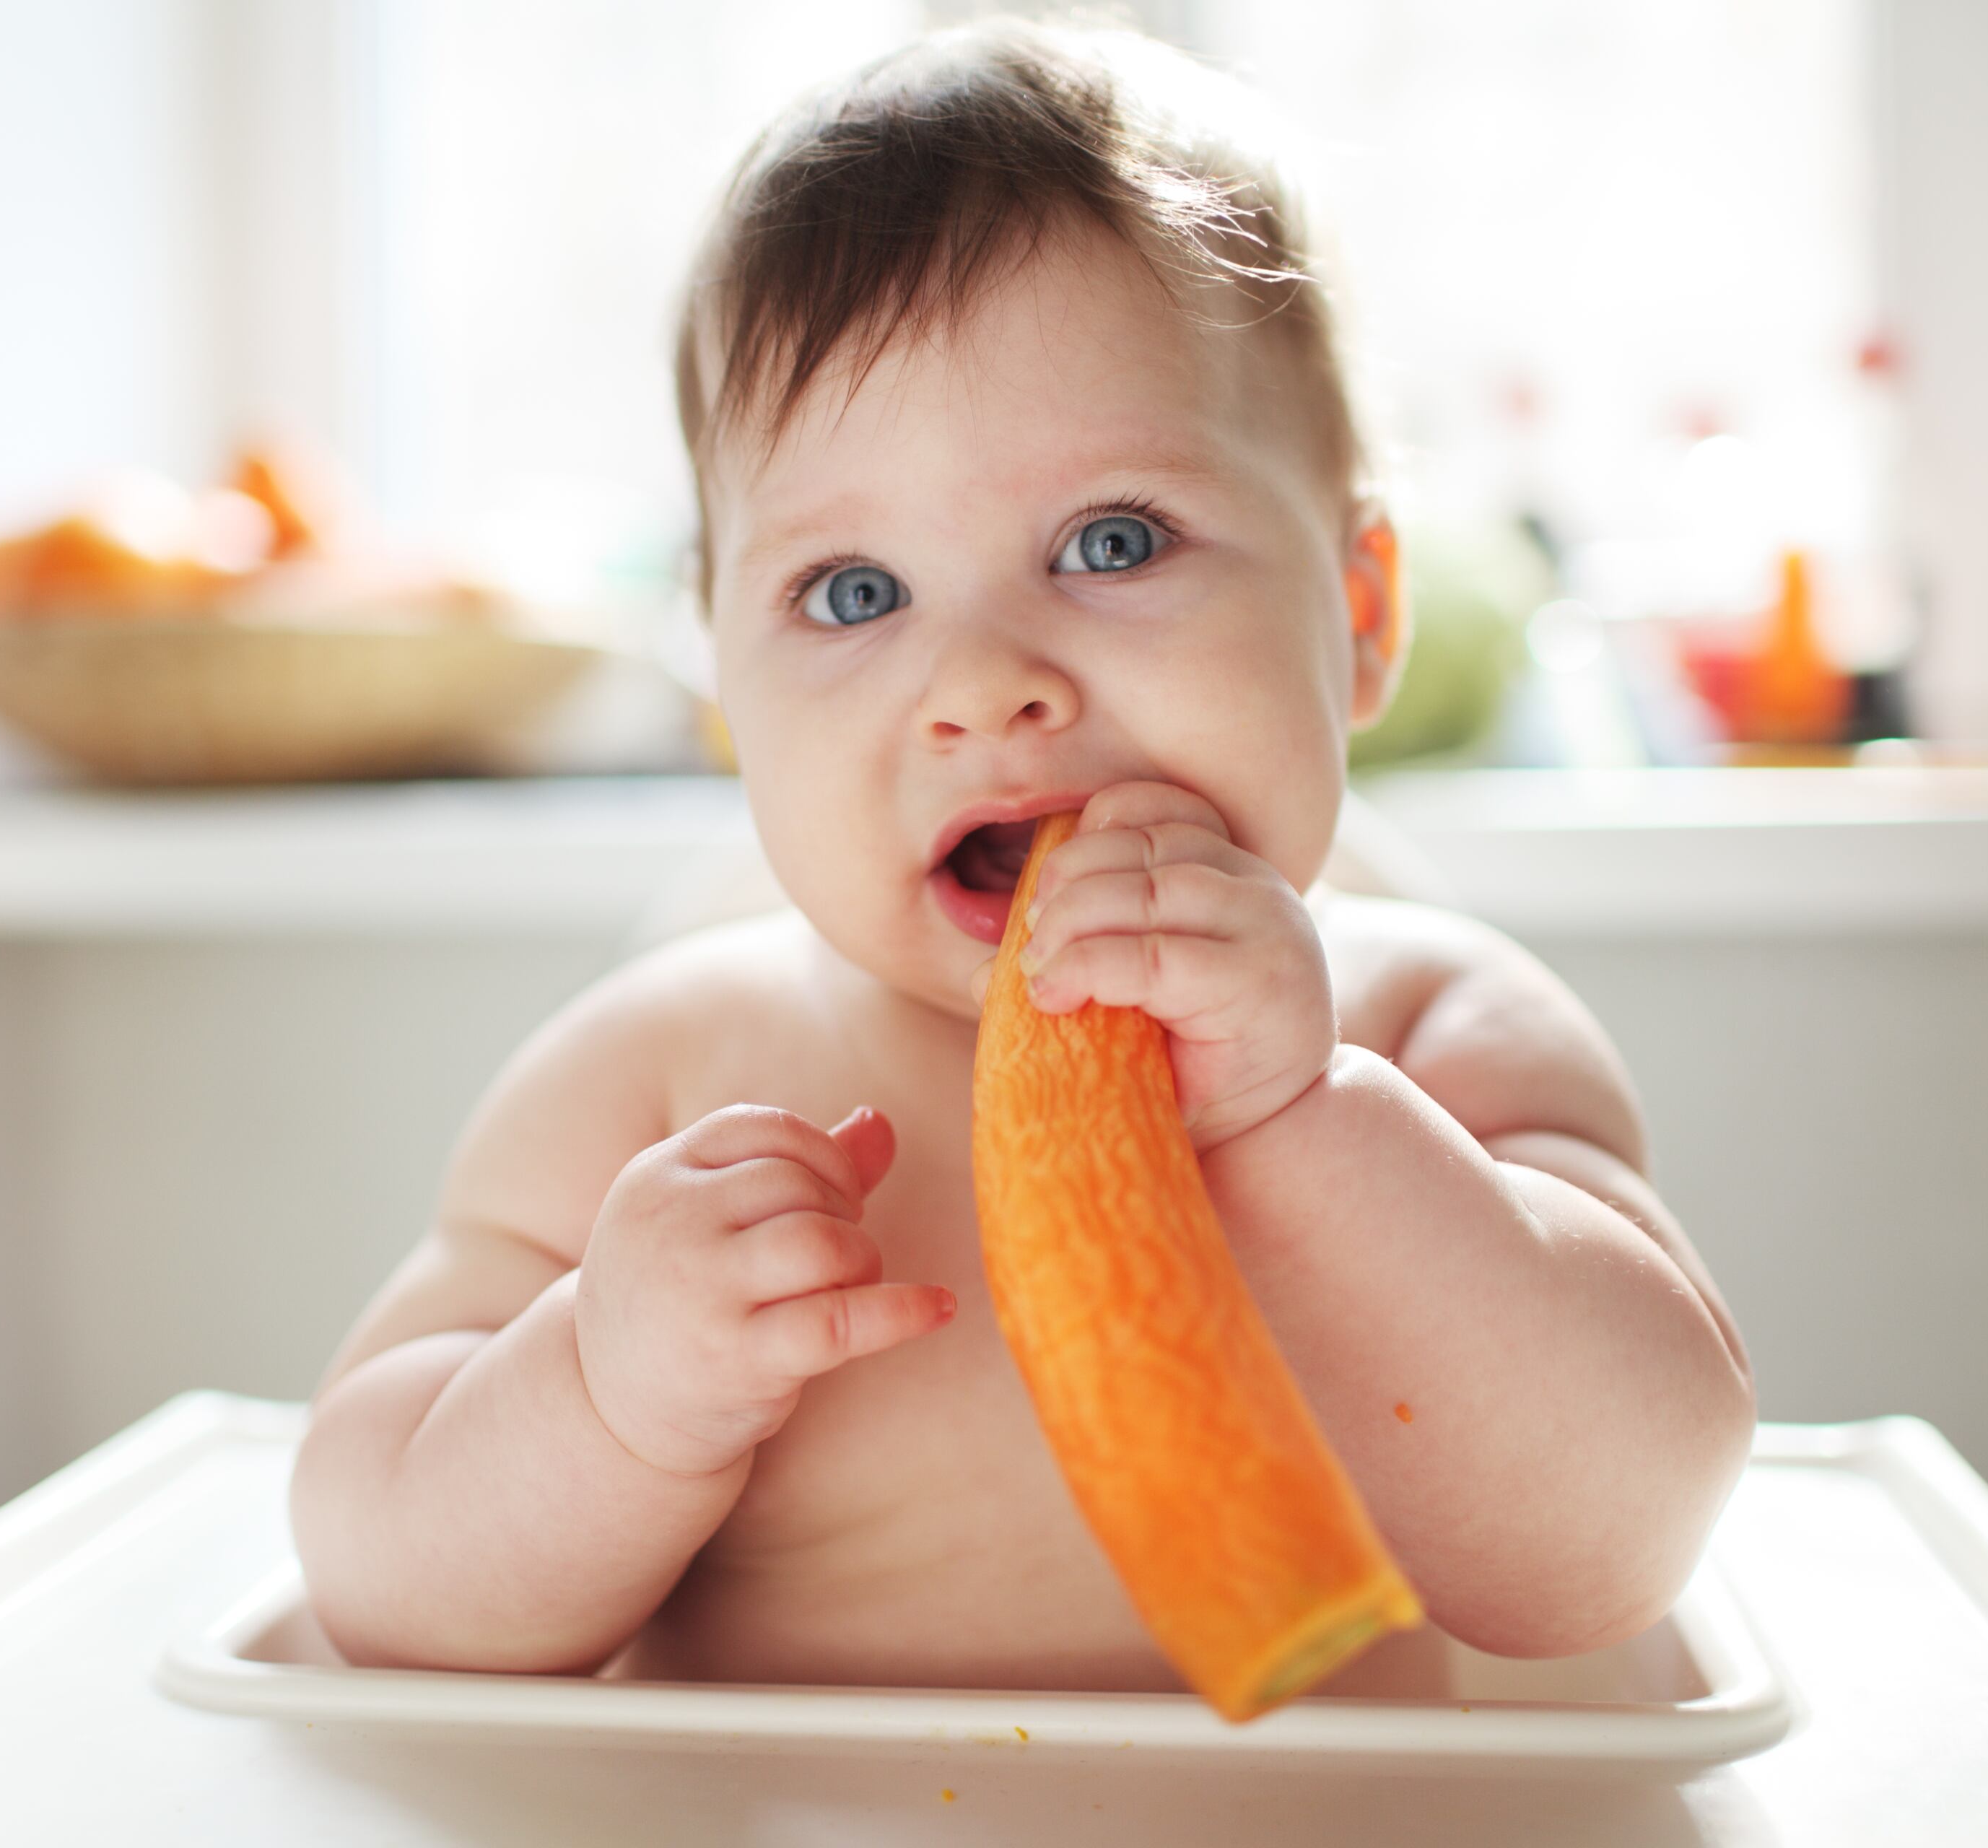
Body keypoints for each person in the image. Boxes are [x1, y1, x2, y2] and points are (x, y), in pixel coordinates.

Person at [291, 19, 1753, 1692]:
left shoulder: (1442, 1033)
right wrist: (606, 1391)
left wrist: (1307, 1121)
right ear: (725, 677)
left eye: (1110, 542)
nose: (986, 684)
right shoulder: (653, 1082)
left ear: (1357, 615)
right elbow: (371, 1574)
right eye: (854, 591)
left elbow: (1623, 1544)